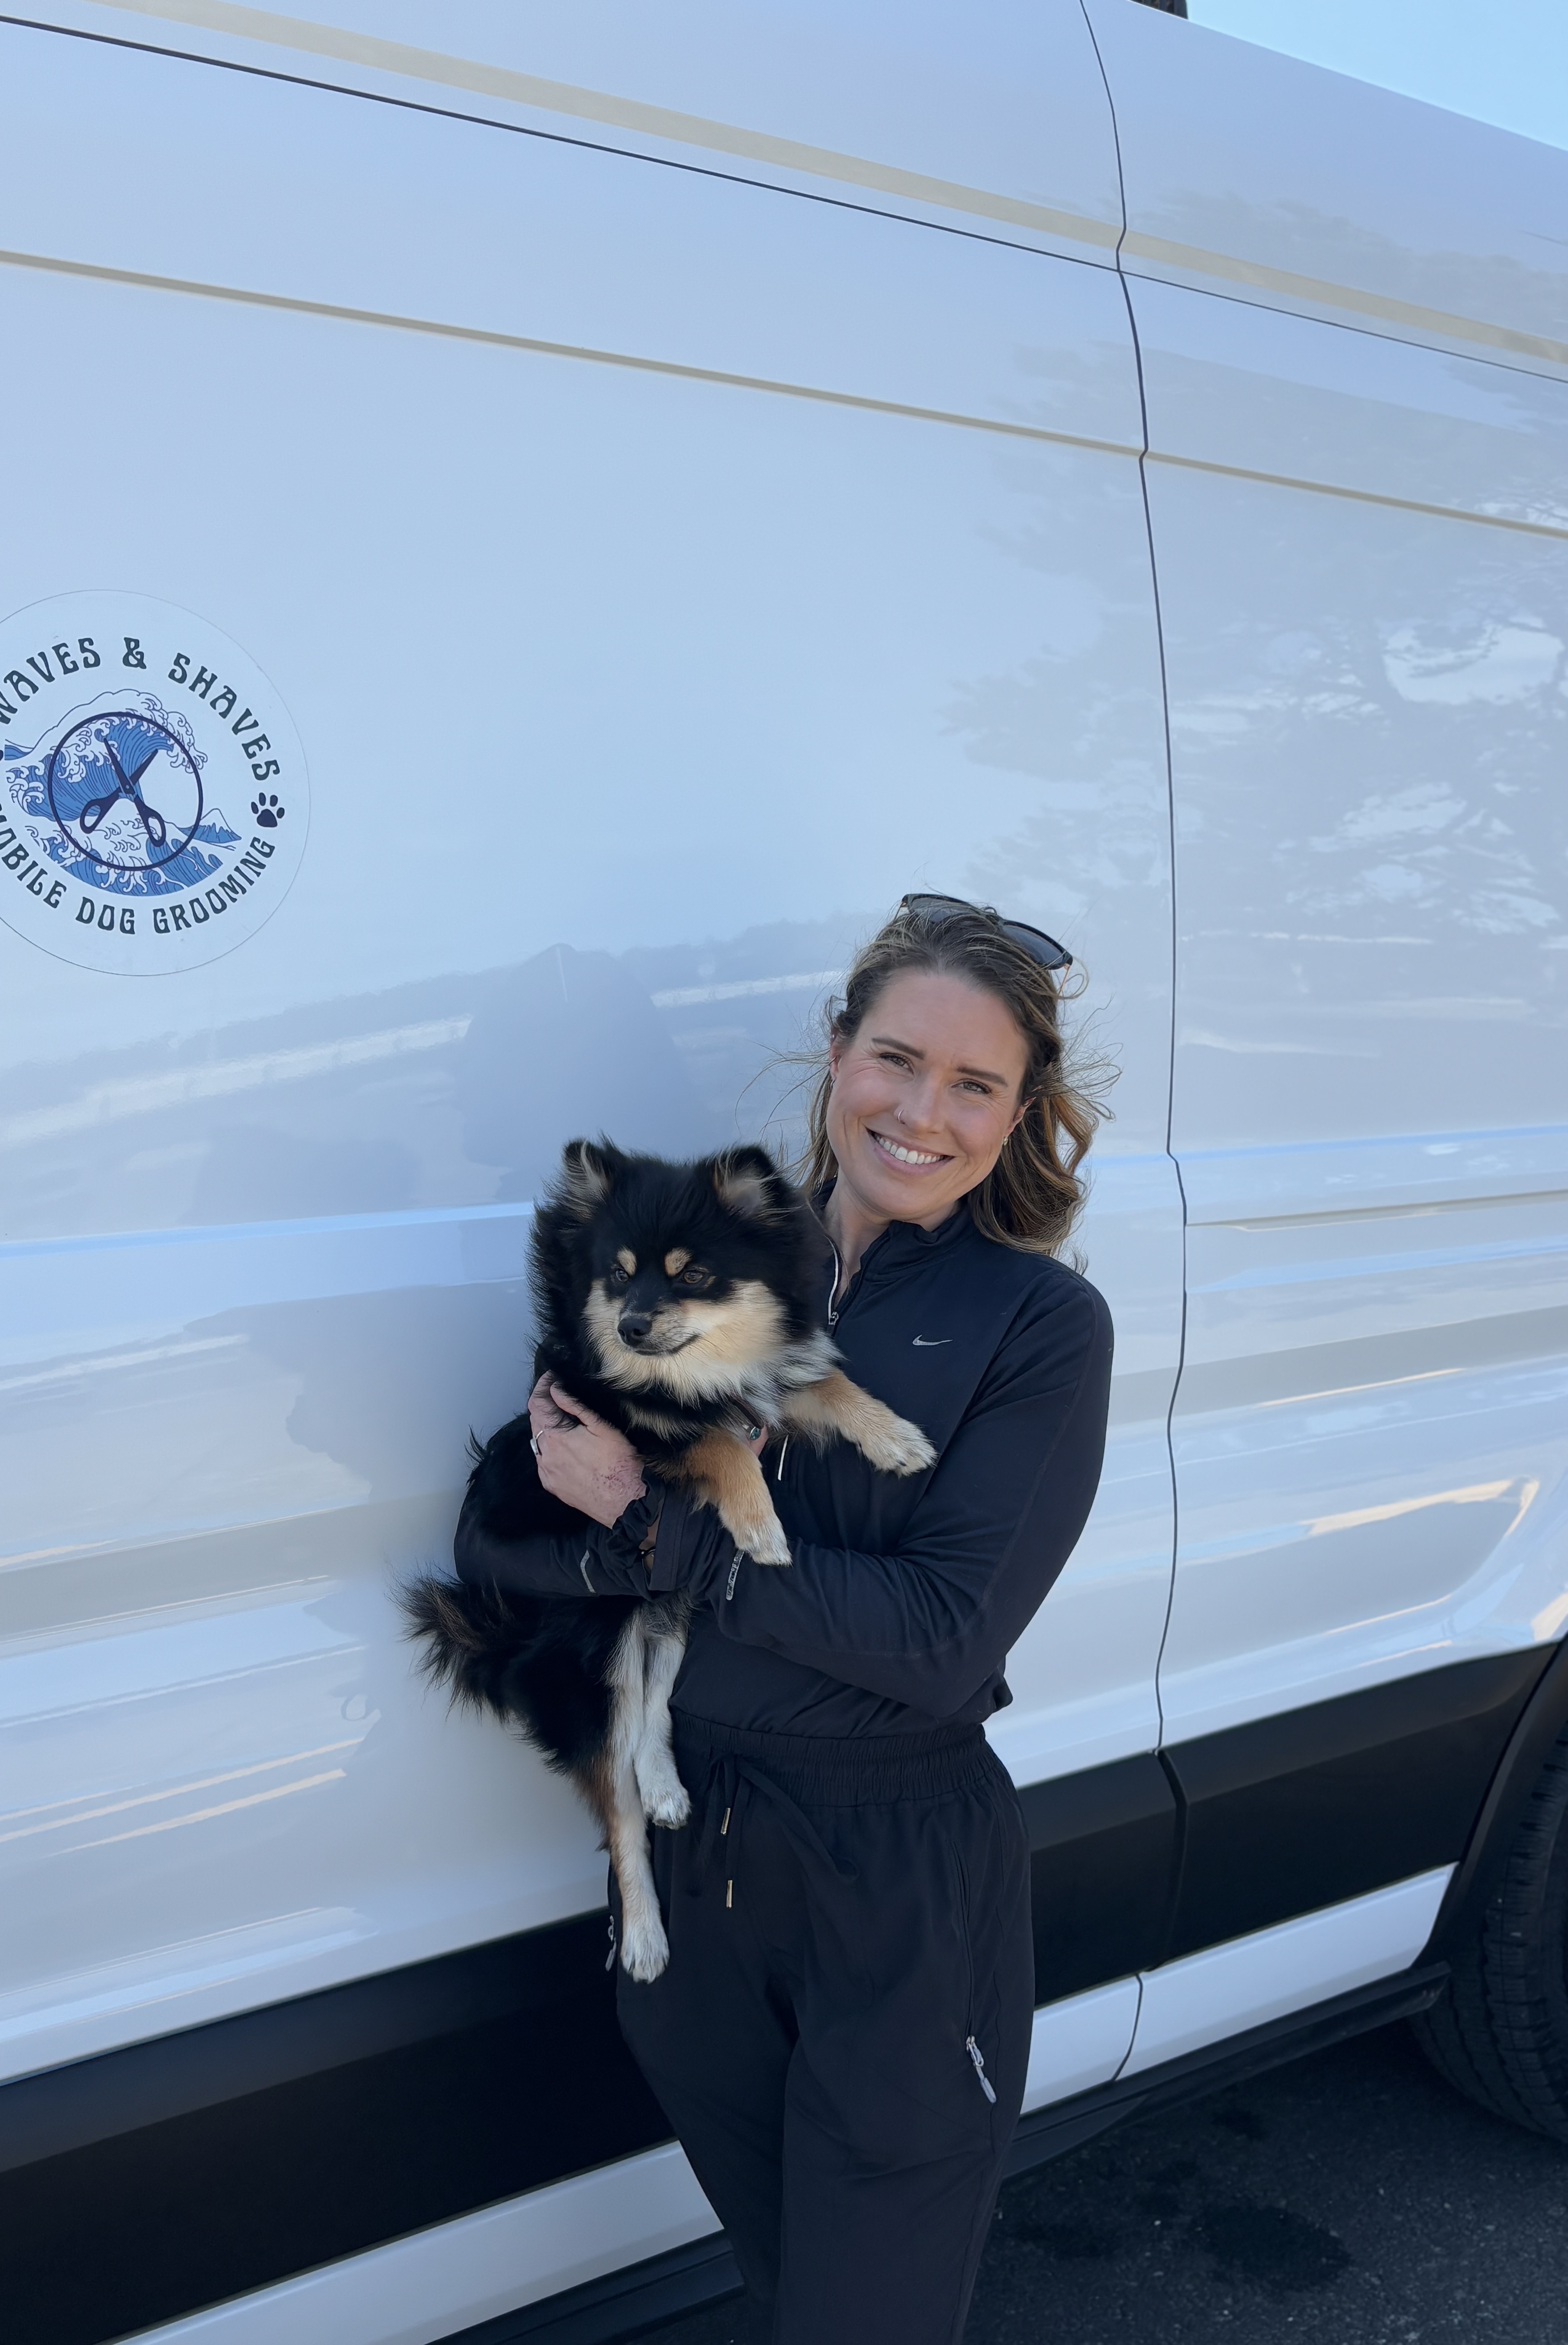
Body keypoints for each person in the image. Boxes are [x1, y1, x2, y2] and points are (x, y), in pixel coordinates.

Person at [453, 896, 1115, 2345]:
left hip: (896, 1880)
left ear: (1021, 1112)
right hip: (695, 1869)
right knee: (794, 2290)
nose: (920, 1113)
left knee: (866, 2318)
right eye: (895, 1058)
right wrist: (593, 1500)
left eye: (974, 1084)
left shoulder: (1037, 1328)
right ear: (833, 1052)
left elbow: (941, 1636)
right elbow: (506, 1545)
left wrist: (650, 1521)